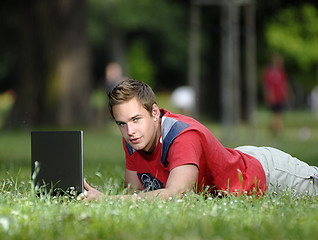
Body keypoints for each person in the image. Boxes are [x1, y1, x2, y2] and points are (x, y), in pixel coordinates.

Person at [81, 79, 318, 201]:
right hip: (232, 162)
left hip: (266, 173)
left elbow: (175, 195)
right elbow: (134, 193)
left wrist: (107, 200)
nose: (130, 130)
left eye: (136, 119)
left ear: (155, 113)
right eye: (122, 124)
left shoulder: (182, 136)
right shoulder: (133, 139)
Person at [262, 54, 290, 136]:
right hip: (274, 97)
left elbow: (284, 84)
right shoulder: (270, 72)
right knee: (276, 114)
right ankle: (276, 130)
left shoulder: (281, 72)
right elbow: (267, 85)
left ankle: (277, 129)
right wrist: (269, 95)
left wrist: (286, 94)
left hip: (280, 96)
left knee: (278, 114)